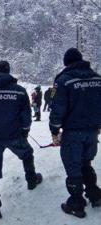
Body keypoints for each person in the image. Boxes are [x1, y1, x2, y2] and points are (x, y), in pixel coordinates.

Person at [0, 61, 42, 219]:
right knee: (27, 154)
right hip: (14, 135)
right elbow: (26, 113)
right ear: (8, 72)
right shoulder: (20, 91)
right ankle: (31, 179)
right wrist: (25, 130)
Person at [50, 48, 101, 218]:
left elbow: (58, 107)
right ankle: (95, 194)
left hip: (73, 132)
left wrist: (54, 130)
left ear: (66, 62)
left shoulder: (64, 80)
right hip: (92, 132)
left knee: (73, 168)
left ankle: (76, 204)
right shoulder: (97, 78)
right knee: (86, 163)